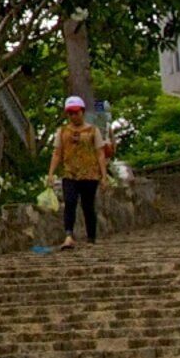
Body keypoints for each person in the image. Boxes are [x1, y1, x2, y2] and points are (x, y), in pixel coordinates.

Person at [51, 96, 110, 248]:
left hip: (89, 174)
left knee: (88, 205)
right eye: (70, 113)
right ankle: (69, 235)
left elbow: (100, 153)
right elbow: (57, 152)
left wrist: (104, 176)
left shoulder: (92, 130)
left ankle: (91, 237)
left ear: (82, 112)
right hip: (70, 173)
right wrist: (51, 173)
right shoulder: (63, 131)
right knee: (69, 203)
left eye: (76, 112)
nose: (73, 116)